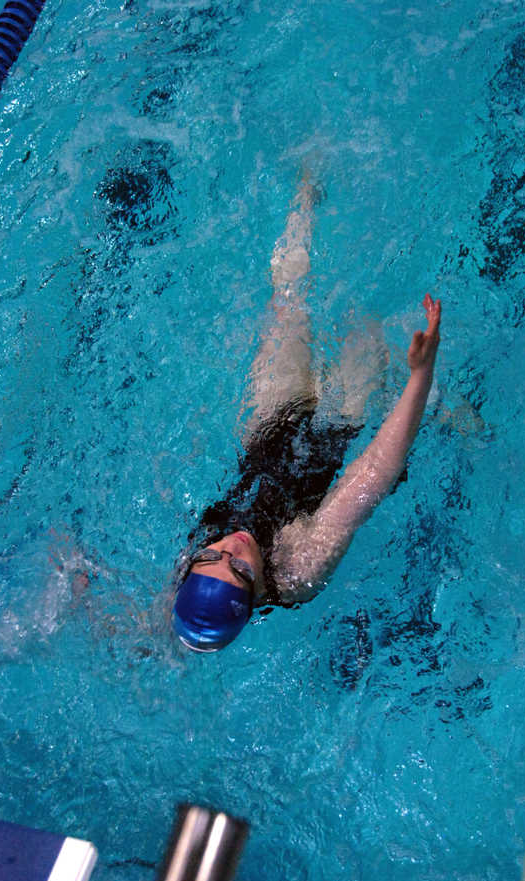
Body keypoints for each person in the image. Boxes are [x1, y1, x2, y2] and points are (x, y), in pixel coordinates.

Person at [172, 175, 441, 652]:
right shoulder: (299, 568)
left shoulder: (191, 571)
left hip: (267, 431)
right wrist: (420, 374)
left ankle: (306, 185)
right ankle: (437, 398)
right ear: (254, 596)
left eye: (211, 555)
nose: (231, 547)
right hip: (331, 436)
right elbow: (376, 471)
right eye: (239, 570)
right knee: (367, 328)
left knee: (287, 302)